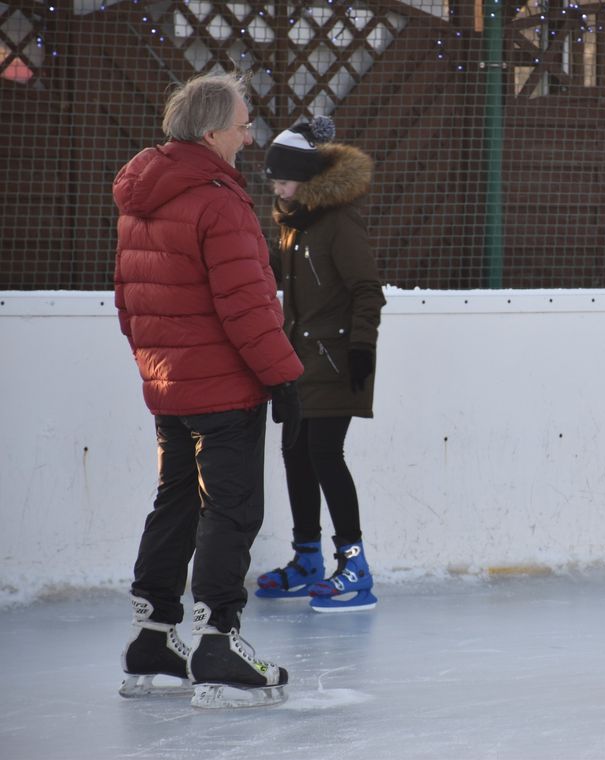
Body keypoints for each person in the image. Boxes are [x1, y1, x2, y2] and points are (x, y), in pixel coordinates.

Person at [114, 72, 303, 707]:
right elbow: (247, 304)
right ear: (213, 129)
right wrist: (282, 376)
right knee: (232, 508)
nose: (251, 135)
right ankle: (217, 641)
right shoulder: (217, 199)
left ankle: (153, 636)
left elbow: (129, 300)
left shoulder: (144, 194)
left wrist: (156, 364)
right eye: (244, 124)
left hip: (169, 383)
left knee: (176, 503)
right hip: (224, 387)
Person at [254, 116, 385, 612]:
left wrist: (361, 351)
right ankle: (306, 557)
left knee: (326, 455)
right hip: (299, 363)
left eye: (285, 178)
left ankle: (355, 565)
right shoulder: (294, 225)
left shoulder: (337, 221)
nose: (278, 187)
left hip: (337, 361)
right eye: (275, 180)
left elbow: (366, 290)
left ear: (308, 178)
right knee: (296, 454)